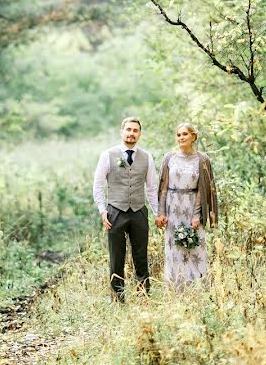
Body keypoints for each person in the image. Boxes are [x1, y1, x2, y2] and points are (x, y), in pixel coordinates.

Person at [92, 117, 162, 302]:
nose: (131, 133)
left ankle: (144, 296)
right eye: (128, 129)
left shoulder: (146, 157)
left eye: (135, 130)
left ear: (139, 134)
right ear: (121, 131)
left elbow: (152, 188)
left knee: (141, 255)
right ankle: (118, 297)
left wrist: (157, 213)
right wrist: (102, 209)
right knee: (117, 256)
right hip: (115, 211)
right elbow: (98, 185)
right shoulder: (108, 155)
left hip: (139, 211)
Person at [156, 123, 218, 288]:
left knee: (195, 245)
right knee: (174, 247)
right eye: (178, 135)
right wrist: (161, 212)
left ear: (193, 137)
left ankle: (198, 287)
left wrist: (197, 214)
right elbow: (163, 187)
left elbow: (203, 189)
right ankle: (176, 287)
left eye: (185, 134)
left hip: (191, 206)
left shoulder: (202, 159)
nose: (181, 137)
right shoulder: (169, 158)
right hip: (172, 207)